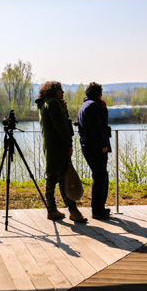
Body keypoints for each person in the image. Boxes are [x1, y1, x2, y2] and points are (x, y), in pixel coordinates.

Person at [35, 81, 87, 223]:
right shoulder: (53, 103)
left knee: (51, 178)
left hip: (50, 147)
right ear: (54, 91)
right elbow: (62, 126)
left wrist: (64, 111)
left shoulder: (44, 104)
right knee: (65, 178)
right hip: (58, 147)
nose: (63, 92)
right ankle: (73, 211)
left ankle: (52, 210)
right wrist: (68, 143)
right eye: (60, 89)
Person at [77, 82, 112, 220]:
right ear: (99, 93)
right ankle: (97, 210)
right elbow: (97, 128)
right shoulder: (93, 106)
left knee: (101, 176)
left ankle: (99, 208)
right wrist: (103, 145)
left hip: (88, 147)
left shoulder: (86, 105)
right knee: (100, 178)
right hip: (95, 148)